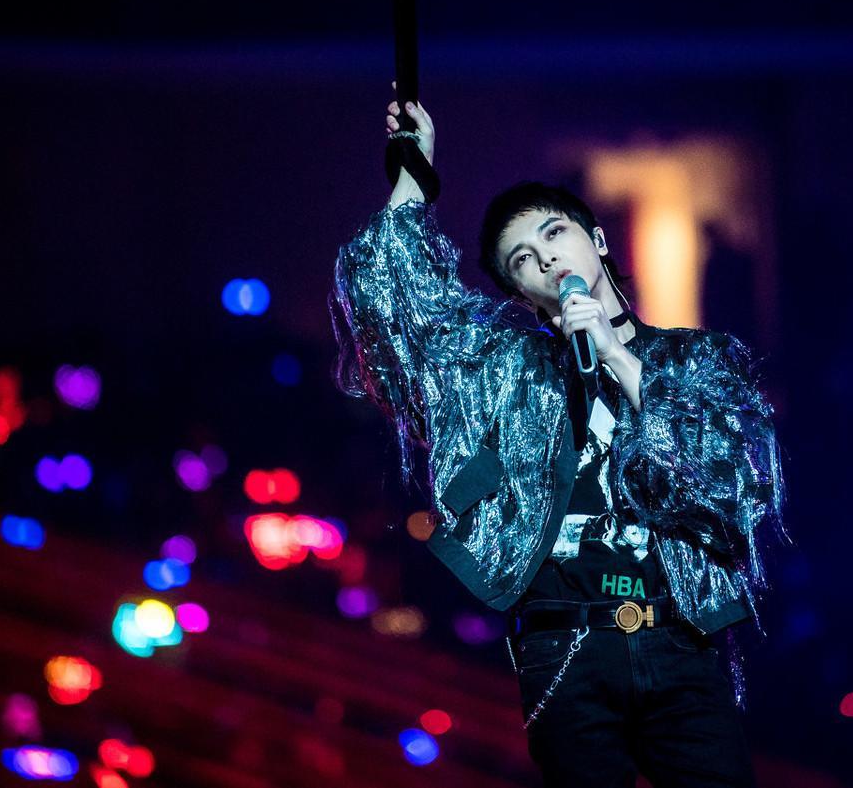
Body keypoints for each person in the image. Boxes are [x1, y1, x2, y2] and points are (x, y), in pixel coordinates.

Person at [329, 83, 787, 788]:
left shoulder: (696, 359)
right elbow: (401, 310)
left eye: (552, 234)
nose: (542, 258)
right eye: (520, 259)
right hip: (564, 648)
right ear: (521, 294)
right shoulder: (509, 371)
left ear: (595, 240)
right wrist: (413, 177)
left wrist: (616, 355)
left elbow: (730, 481)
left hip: (681, 639)